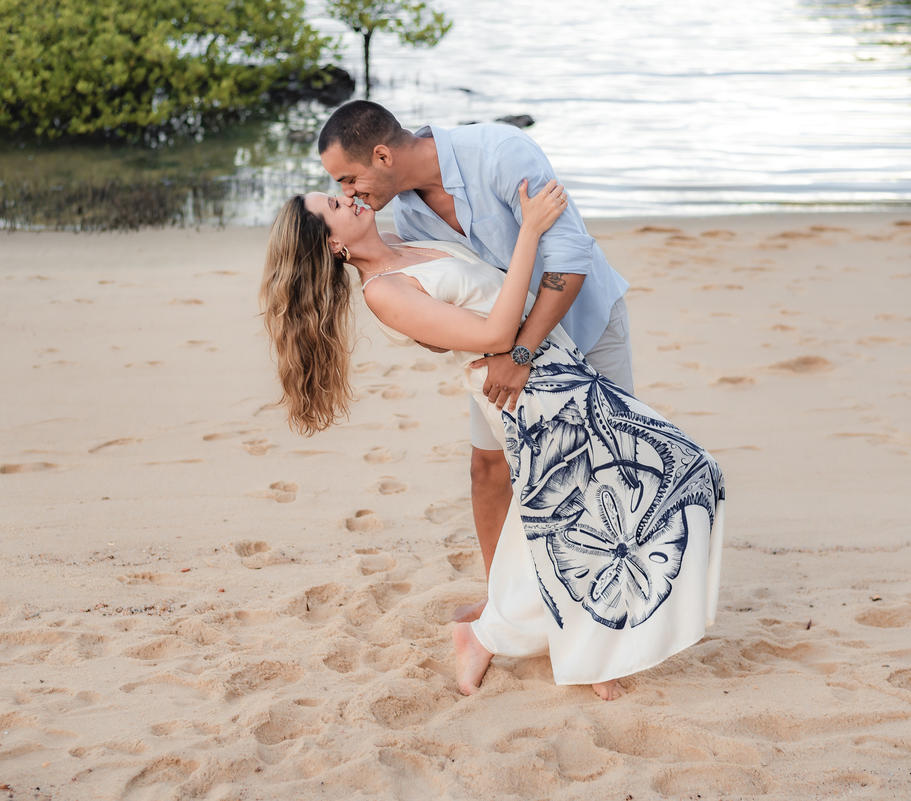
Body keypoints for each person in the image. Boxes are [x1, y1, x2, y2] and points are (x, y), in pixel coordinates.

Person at [260, 180, 725, 700]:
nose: (344, 197)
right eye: (332, 205)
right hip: (527, 390)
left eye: (337, 192)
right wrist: (530, 229)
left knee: (595, 505)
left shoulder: (404, 241)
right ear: (332, 245)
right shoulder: (383, 291)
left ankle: (498, 636)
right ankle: (556, 648)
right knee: (608, 500)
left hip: (557, 364)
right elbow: (496, 336)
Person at [318, 102, 633, 623]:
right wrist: (436, 331)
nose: (349, 193)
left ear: (381, 155)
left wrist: (522, 354)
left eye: (349, 179)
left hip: (583, 323)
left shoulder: (501, 154)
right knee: (487, 467)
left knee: (608, 464)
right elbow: (444, 309)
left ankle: (609, 605)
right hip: (501, 355)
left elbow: (570, 260)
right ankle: (503, 602)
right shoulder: (408, 213)